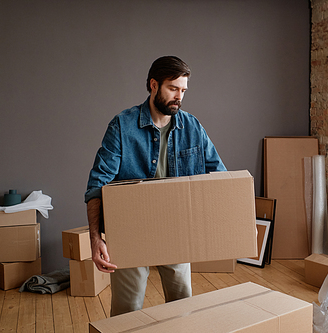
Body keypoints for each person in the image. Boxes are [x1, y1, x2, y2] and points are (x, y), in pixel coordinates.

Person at [84, 56, 226, 316]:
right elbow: (97, 183)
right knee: (126, 313)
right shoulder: (122, 126)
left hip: (177, 228)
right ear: (153, 85)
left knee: (183, 307)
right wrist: (96, 239)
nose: (179, 97)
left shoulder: (192, 127)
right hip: (130, 229)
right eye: (173, 88)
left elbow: (219, 175)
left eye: (183, 90)